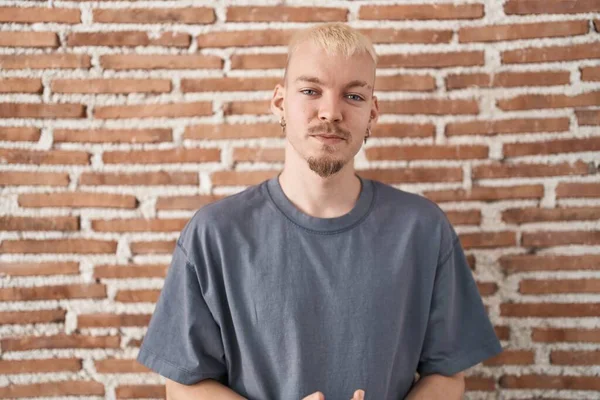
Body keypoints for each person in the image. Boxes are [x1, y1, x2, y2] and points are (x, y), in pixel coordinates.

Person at [137, 23, 502, 400]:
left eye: (354, 97)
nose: (330, 112)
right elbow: (183, 383)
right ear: (280, 103)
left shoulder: (423, 228)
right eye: (311, 91)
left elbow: (447, 375)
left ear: (372, 114)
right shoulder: (215, 233)